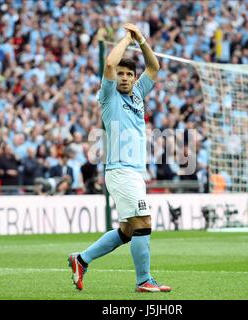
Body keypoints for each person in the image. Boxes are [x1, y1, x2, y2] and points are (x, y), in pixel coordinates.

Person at [68, 23, 171, 293]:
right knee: (144, 221)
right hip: (121, 170)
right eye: (122, 74)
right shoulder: (109, 95)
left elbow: (154, 68)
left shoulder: (137, 93)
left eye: (129, 74)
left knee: (127, 231)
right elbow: (110, 65)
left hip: (134, 171)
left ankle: (81, 260)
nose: (124, 78)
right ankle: (143, 280)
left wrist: (142, 41)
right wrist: (127, 38)